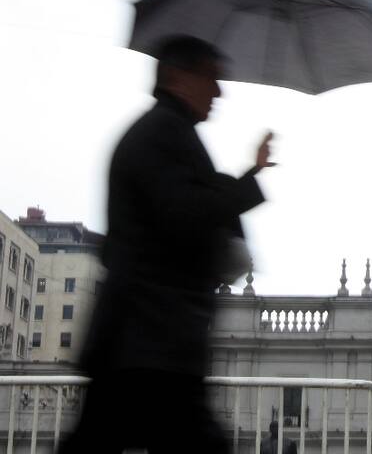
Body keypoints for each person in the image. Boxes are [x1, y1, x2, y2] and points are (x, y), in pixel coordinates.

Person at [60, 36, 274, 453]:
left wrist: (252, 173)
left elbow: (193, 201)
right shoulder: (161, 133)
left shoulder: (167, 131)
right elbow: (186, 212)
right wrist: (245, 188)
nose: (219, 90)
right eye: (211, 76)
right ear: (178, 76)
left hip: (146, 341)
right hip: (150, 339)